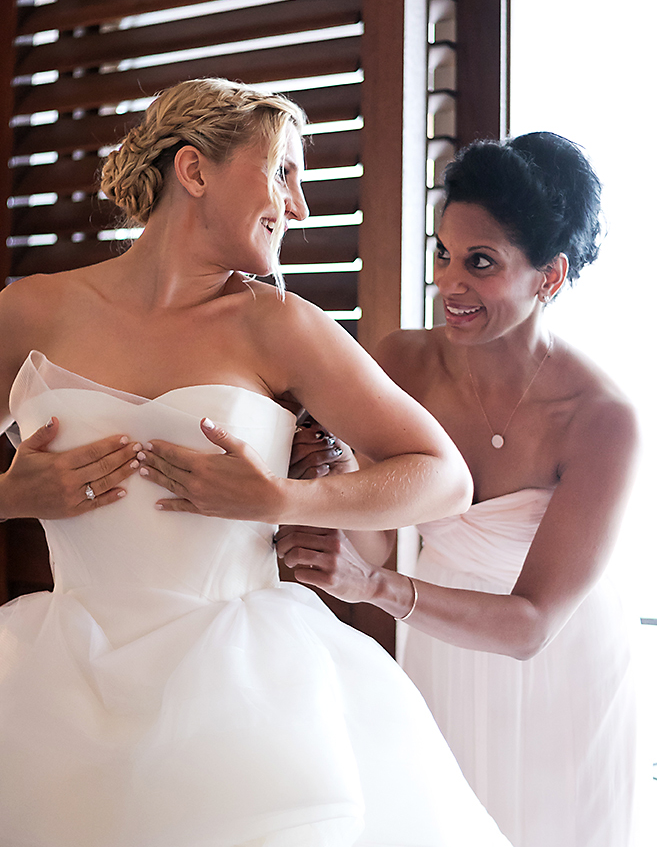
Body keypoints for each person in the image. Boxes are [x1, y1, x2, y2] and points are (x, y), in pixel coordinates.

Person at [0, 78, 517, 847]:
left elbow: (443, 476)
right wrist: (8, 495)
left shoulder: (281, 326)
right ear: (194, 170)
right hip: (54, 693)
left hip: (243, 699)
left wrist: (279, 498)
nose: (298, 206)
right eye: (282, 172)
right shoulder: (27, 312)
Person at [277, 132, 638, 847]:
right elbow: (380, 542)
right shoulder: (400, 362)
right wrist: (340, 476)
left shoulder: (600, 419)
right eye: (442, 253)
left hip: (560, 669)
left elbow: (531, 624)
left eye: (480, 262)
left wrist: (374, 588)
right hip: (440, 650)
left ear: (549, 276)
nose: (448, 283)